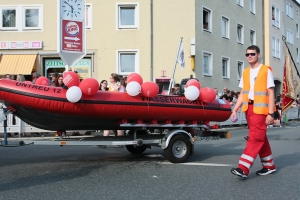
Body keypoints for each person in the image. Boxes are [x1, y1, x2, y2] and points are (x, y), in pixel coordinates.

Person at [230, 45, 276, 179]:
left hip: (261, 110)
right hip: (248, 109)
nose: (250, 56)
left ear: (258, 55)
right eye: (247, 54)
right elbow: (243, 92)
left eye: (252, 54)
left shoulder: (265, 70)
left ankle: (243, 168)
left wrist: (271, 113)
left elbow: (271, 92)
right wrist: (235, 109)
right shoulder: (245, 72)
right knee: (261, 137)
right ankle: (269, 166)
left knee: (255, 137)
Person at [101, 73, 125, 148]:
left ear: (114, 79)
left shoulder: (120, 87)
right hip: (110, 108)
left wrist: (118, 90)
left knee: (118, 125)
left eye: (111, 77)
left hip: (118, 108)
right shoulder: (109, 86)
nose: (109, 78)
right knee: (107, 124)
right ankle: (104, 142)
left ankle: (119, 143)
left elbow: (122, 96)